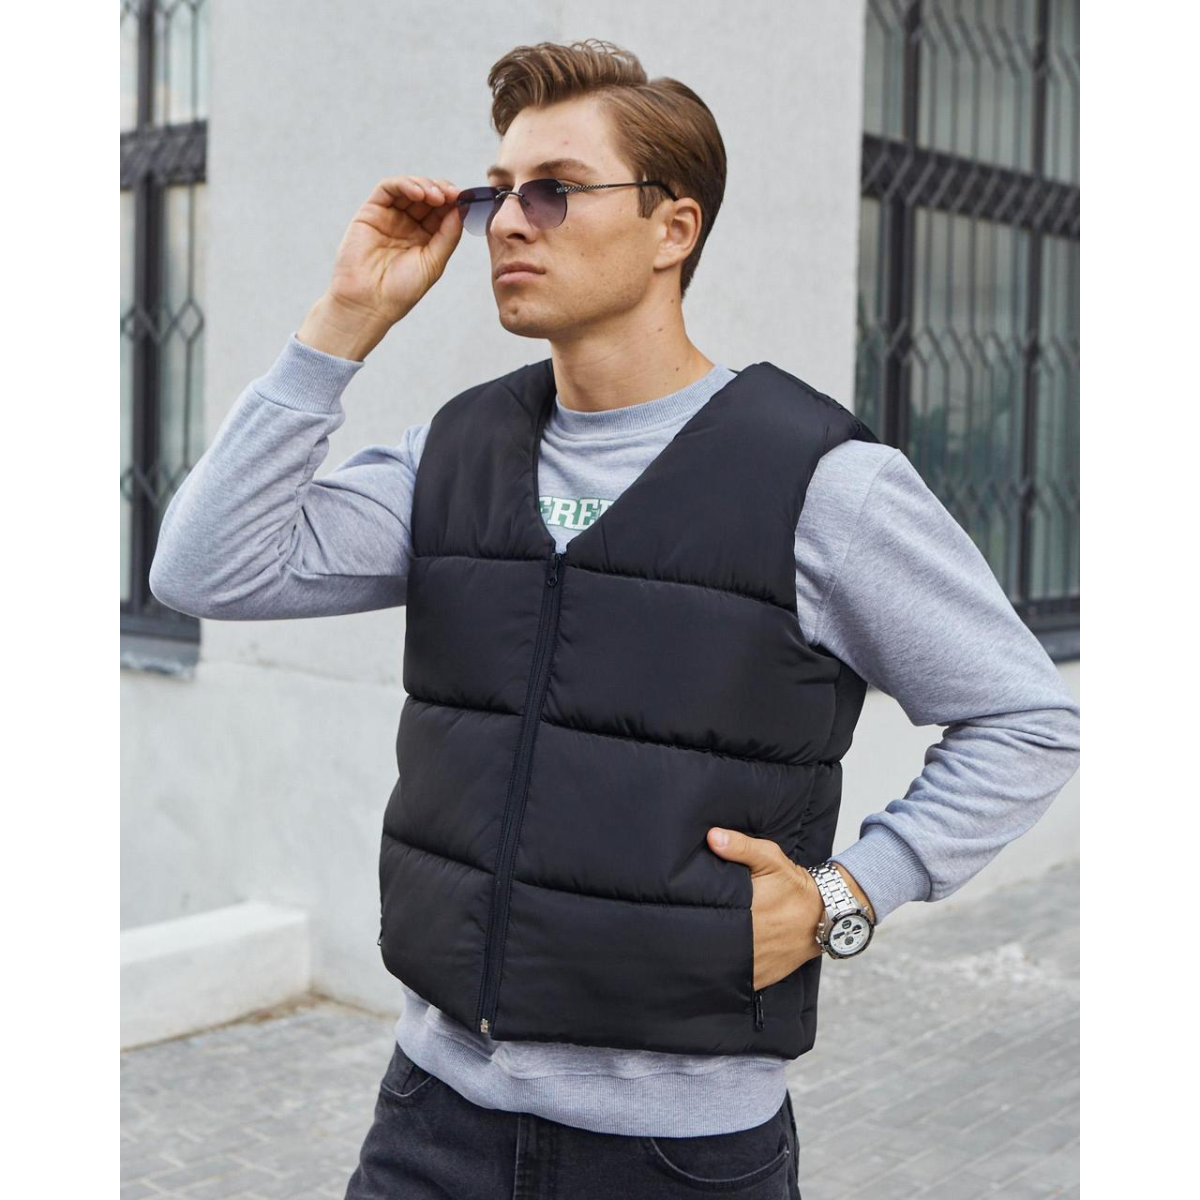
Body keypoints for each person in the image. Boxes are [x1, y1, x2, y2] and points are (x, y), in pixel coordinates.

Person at [149, 37, 1080, 1200]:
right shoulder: (455, 454)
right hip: (431, 1123)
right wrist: (341, 322)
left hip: (676, 1154)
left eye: (554, 190)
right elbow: (206, 569)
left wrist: (848, 898)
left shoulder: (822, 483)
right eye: (496, 192)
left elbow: (1027, 721)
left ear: (671, 228)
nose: (507, 222)